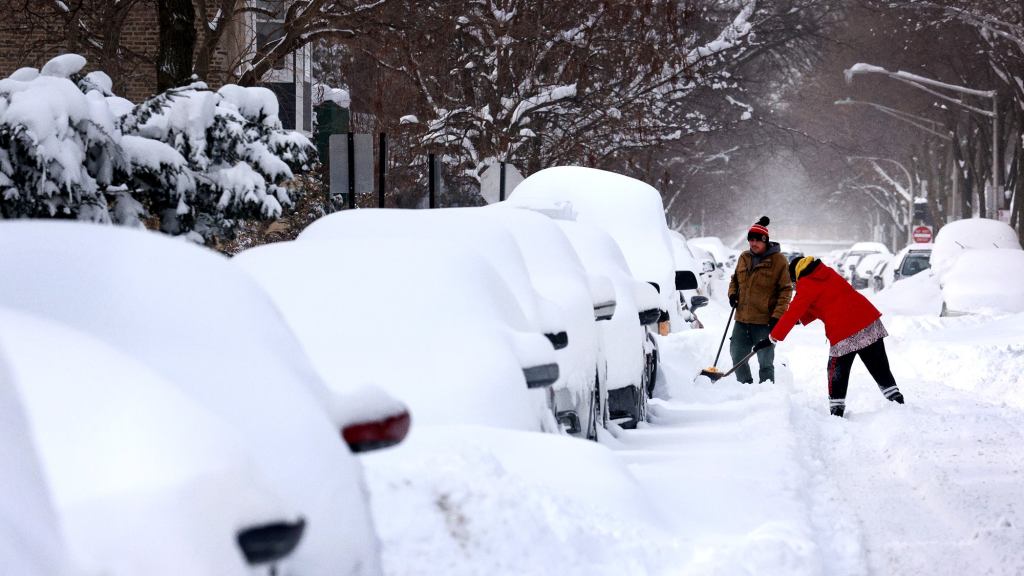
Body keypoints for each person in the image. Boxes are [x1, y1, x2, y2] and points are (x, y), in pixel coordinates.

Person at [757, 255, 905, 417]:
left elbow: (793, 312)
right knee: (879, 367)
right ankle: (898, 404)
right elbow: (824, 302)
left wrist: (772, 337)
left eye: (793, 281)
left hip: (845, 331)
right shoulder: (825, 272)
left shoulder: (806, 283)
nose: (794, 285)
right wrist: (800, 319)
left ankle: (837, 411)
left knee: (836, 371)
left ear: (796, 275)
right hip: (869, 322)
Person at [727, 216, 792, 383]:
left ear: (766, 241)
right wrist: (732, 294)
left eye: (757, 240)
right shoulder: (744, 257)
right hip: (741, 319)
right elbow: (734, 279)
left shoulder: (779, 261)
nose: (753, 244)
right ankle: (746, 387)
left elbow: (785, 291)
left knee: (765, 362)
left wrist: (777, 316)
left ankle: (767, 394)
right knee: (737, 356)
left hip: (764, 321)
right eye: (751, 240)